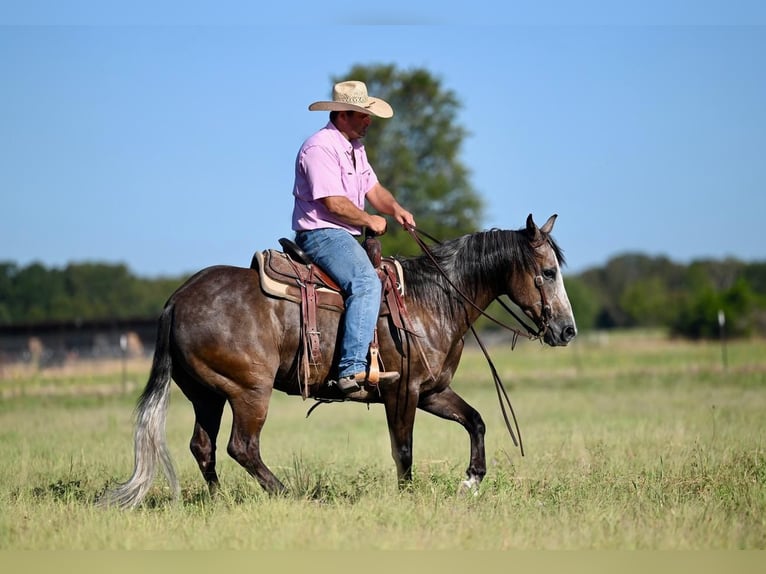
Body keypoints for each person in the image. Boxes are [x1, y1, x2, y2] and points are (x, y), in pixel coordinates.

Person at [291, 80, 416, 394]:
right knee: (365, 282)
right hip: (322, 234)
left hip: (343, 235)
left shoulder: (355, 149)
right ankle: (351, 370)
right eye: (362, 115)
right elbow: (333, 203)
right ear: (342, 115)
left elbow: (373, 190)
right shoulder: (319, 147)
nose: (368, 121)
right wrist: (369, 219)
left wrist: (395, 209)